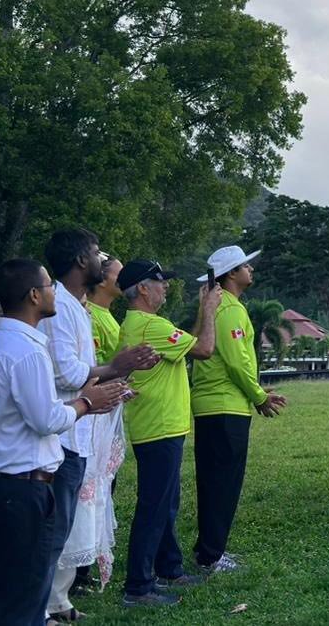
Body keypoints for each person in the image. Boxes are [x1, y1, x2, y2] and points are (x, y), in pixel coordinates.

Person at [0, 259, 126, 626]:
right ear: (34, 295)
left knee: (7, 586)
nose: (55, 292)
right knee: (26, 589)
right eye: (49, 285)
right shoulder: (28, 351)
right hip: (24, 485)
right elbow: (46, 419)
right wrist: (87, 402)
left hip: (5, 482)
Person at [39, 231, 159, 620]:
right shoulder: (59, 307)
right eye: (96, 254)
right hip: (64, 432)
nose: (101, 261)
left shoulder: (76, 305)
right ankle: (42, 608)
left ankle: (59, 601)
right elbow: (65, 372)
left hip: (80, 429)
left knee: (71, 521)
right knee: (57, 527)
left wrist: (111, 384)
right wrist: (116, 367)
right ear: (79, 261)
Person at [118, 259, 221, 606]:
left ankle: (168, 567)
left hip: (159, 425)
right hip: (158, 427)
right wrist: (208, 309)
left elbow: (188, 344)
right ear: (143, 289)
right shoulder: (151, 326)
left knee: (166, 503)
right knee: (154, 506)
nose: (166, 288)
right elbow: (205, 349)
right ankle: (138, 586)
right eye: (160, 282)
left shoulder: (143, 324)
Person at [191, 246, 287, 575]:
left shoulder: (222, 307)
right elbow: (237, 362)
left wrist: (256, 392)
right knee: (222, 483)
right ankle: (211, 555)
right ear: (231, 274)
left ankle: (209, 549)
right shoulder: (229, 310)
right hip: (224, 407)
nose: (251, 269)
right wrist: (258, 395)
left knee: (215, 481)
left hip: (216, 405)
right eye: (245, 265)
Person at [71, 256, 128, 594]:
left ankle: (85, 563)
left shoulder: (107, 317)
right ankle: (76, 572)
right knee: (86, 492)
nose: (123, 279)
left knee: (102, 491)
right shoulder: (90, 317)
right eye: (118, 274)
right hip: (89, 418)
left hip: (106, 416)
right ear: (102, 278)